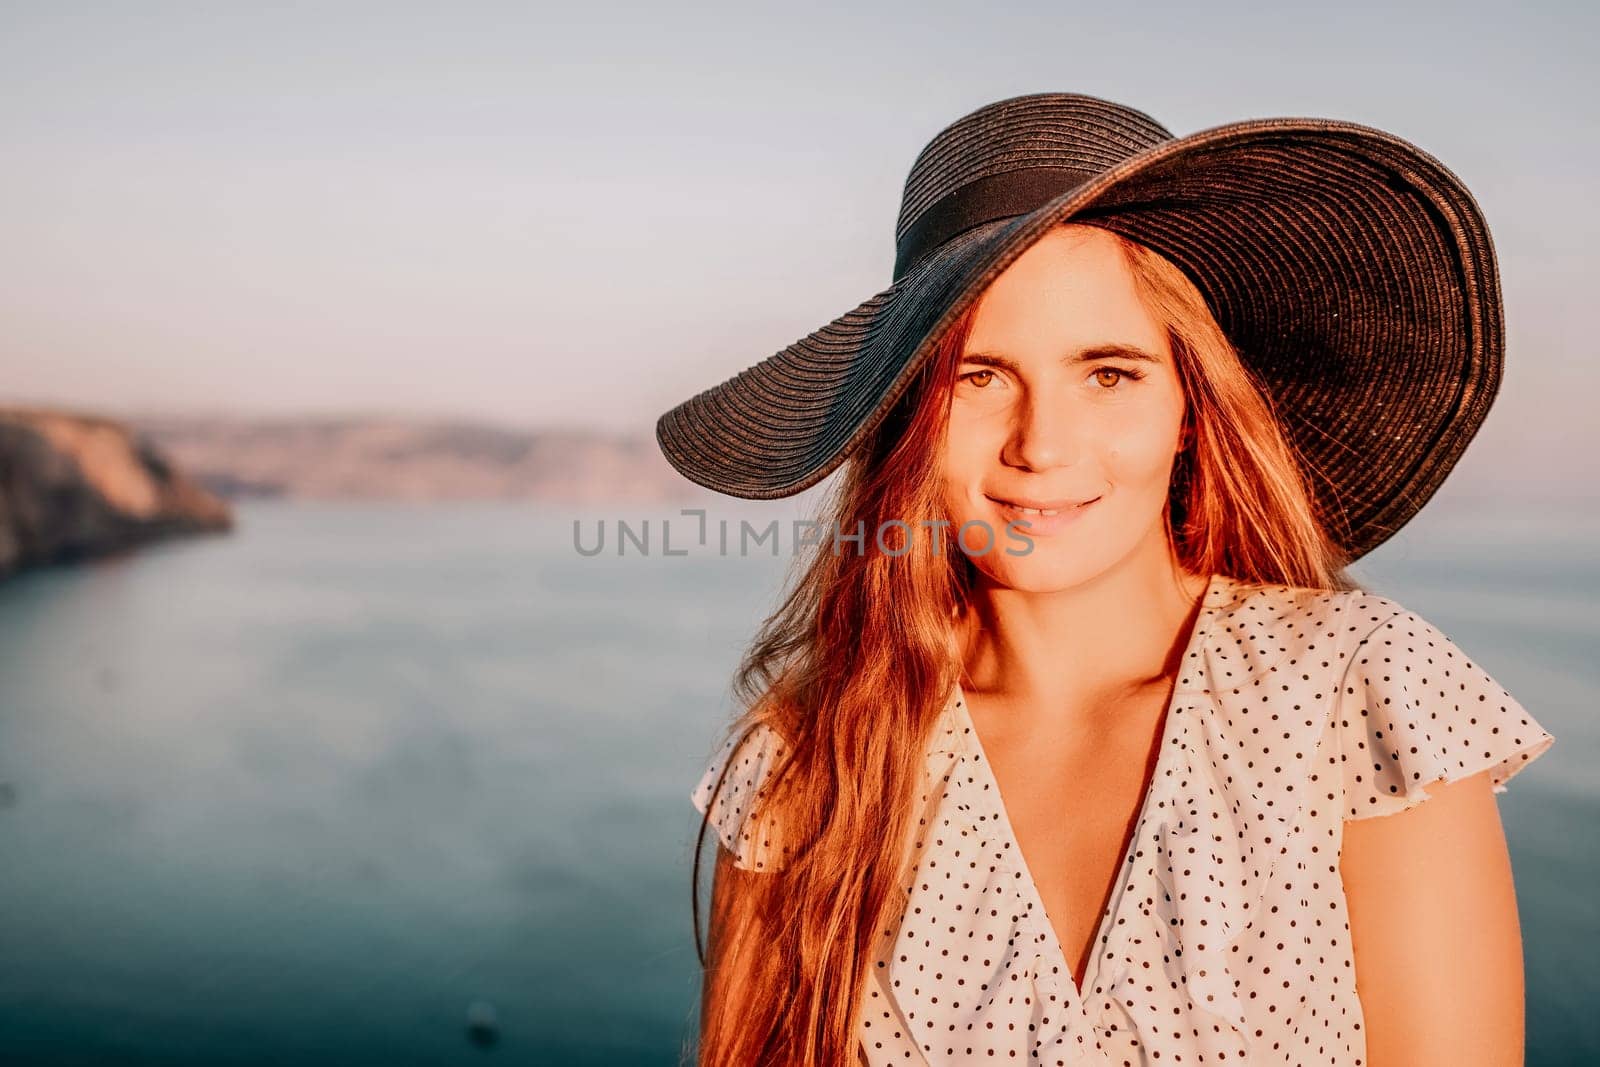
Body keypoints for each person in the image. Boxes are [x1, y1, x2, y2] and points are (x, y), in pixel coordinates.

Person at [656, 93, 1556, 1066]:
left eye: (1108, 372)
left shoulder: (1357, 692)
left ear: (1187, 404)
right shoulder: (802, 762)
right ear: (908, 416)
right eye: (976, 376)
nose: (1040, 445)